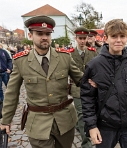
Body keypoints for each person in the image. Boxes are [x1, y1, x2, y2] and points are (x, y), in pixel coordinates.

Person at [0, 15, 83, 148]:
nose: (44, 37)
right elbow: (11, 93)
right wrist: (6, 120)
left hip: (64, 120)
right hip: (38, 123)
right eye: (39, 33)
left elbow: (82, 80)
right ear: (30, 35)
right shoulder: (21, 61)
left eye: (48, 34)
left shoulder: (64, 57)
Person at [81, 19, 127, 148]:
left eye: (122, 36)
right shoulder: (95, 65)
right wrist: (92, 126)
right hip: (106, 125)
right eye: (114, 36)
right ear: (106, 38)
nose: (118, 40)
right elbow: (87, 98)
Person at [69, 27, 97, 148]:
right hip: (77, 89)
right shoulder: (69, 53)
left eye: (84, 38)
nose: (82, 41)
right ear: (75, 38)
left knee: (92, 113)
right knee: (81, 115)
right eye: (80, 38)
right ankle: (86, 143)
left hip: (92, 89)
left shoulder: (92, 52)